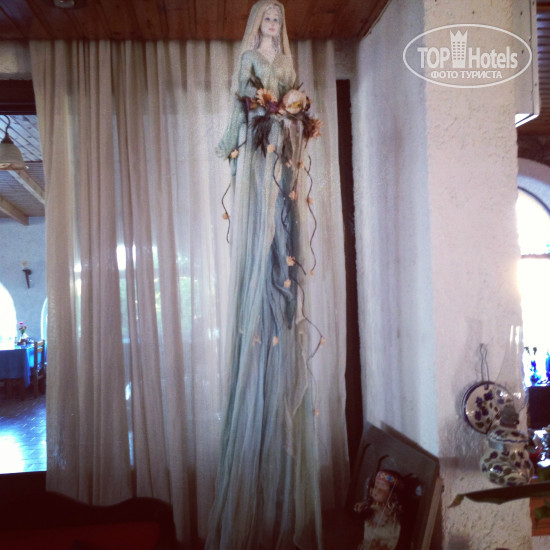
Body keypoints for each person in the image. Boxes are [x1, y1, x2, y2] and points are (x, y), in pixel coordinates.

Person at [206, 2, 323, 549]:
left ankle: (281, 498)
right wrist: (239, 136)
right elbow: (243, 106)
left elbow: (293, 103)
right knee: (266, 246)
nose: (273, 28)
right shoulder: (250, 59)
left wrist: (293, 118)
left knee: (287, 246)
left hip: (284, 153)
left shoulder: (288, 63)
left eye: (278, 21)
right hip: (262, 147)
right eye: (267, 21)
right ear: (257, 25)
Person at [354, 470, 403, 550]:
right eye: (376, 486)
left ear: (393, 494)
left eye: (382, 487)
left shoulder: (392, 513)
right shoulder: (373, 505)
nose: (376, 490)